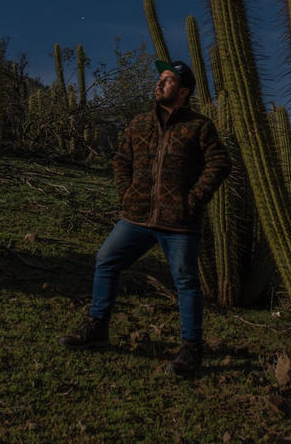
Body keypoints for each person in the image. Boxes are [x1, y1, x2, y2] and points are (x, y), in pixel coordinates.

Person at [59, 59, 231, 376]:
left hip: (178, 221)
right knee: (106, 259)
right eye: (160, 78)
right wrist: (127, 194)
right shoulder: (139, 123)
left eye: (167, 80)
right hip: (136, 217)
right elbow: (121, 160)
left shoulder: (199, 126)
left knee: (186, 282)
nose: (159, 83)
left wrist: (193, 200)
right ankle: (98, 326)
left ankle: (191, 350)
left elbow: (220, 163)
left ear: (183, 91)